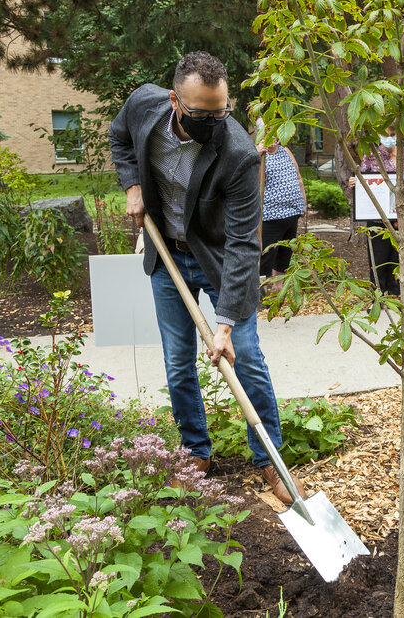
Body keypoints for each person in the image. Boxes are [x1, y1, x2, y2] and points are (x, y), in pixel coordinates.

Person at [109, 51, 303, 504]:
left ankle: (269, 460)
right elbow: (120, 139)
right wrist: (132, 185)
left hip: (219, 261)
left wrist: (225, 326)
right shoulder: (143, 105)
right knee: (178, 362)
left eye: (222, 112)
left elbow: (242, 244)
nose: (213, 121)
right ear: (175, 101)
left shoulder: (237, 154)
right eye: (201, 113)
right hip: (168, 256)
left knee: (247, 357)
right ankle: (195, 451)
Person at [350, 125, 404, 297]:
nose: (389, 138)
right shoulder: (370, 156)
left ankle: (396, 295)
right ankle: (377, 296)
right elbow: (362, 182)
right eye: (385, 134)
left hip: (403, 219)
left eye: (392, 134)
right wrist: (355, 182)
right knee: (378, 258)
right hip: (377, 219)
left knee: (398, 259)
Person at [257, 126, 306, 284]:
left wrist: (303, 203)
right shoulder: (257, 154)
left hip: (292, 214)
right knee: (265, 259)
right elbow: (252, 180)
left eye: (275, 131)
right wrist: (257, 154)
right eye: (268, 132)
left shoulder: (285, 150)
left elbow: (298, 177)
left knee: (283, 260)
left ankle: (278, 297)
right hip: (270, 217)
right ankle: (262, 299)